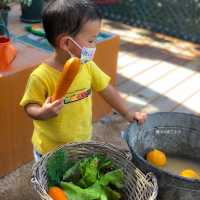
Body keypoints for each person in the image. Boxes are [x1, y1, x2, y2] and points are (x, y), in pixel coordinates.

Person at [20, 0, 147, 161]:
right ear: (66, 43)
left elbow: (106, 89)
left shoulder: (87, 66)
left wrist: (128, 113)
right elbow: (29, 106)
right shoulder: (41, 76)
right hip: (50, 150)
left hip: (81, 144)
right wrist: (42, 112)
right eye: (91, 40)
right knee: (53, 185)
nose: (95, 46)